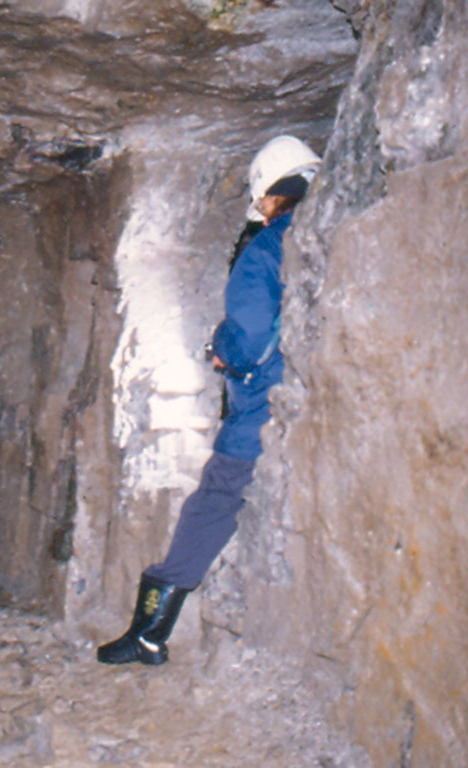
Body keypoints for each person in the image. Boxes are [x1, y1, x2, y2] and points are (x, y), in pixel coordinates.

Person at [97, 135, 322, 666]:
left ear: (271, 194)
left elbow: (246, 340)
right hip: (316, 406)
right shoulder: (328, 232)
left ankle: (147, 634)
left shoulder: (265, 249)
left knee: (212, 502)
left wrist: (220, 347)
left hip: (264, 409)